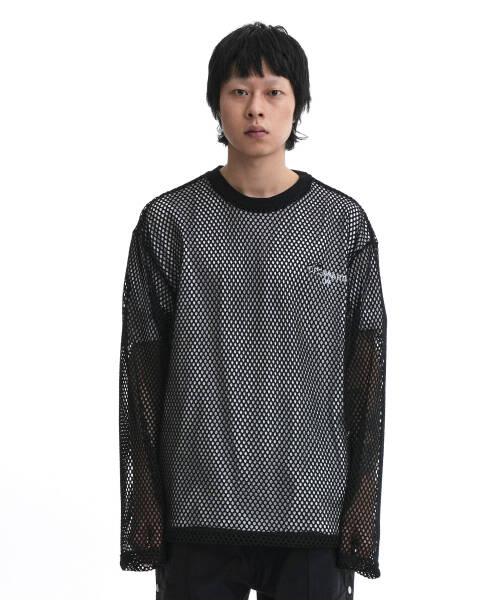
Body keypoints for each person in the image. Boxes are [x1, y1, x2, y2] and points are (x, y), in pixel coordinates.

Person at [118, 21, 387, 599]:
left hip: (312, 510)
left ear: (298, 105)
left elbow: (367, 379)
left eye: (273, 91)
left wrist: (361, 513)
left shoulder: (342, 225)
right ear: (216, 104)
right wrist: (146, 508)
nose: (256, 108)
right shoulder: (170, 222)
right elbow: (141, 373)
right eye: (239, 90)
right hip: (197, 508)